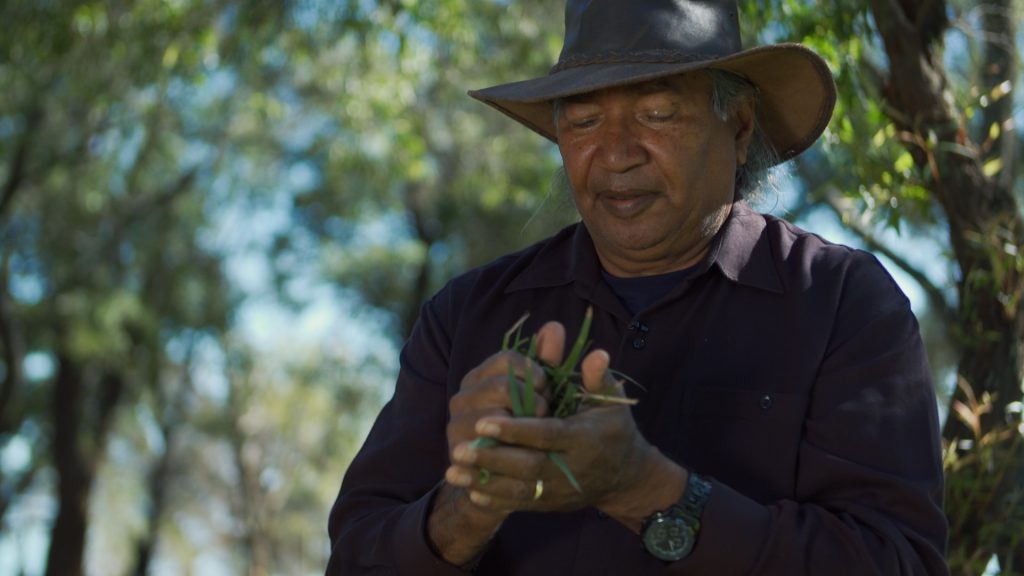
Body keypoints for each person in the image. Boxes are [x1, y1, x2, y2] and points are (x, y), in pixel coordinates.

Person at [326, 0, 949, 574]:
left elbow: (899, 562)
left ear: (737, 126)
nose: (617, 154)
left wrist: (648, 492)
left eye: (657, 113)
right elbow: (356, 557)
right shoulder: (466, 316)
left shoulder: (840, 303)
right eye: (585, 121)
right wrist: (468, 506)